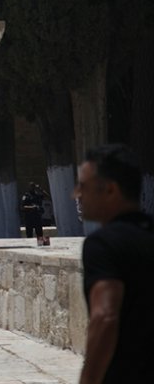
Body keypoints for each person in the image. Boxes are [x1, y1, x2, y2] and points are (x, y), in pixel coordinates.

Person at [75, 144, 154, 384]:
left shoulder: (103, 245)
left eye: (84, 187)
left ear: (110, 190)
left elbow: (106, 316)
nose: (77, 194)